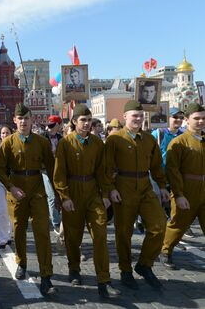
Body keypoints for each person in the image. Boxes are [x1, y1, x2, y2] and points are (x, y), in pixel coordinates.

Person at [53, 104, 120, 298]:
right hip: (73, 193)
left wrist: (106, 194)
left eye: (89, 120)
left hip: (92, 193)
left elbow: (103, 170)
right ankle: (74, 268)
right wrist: (64, 197)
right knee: (73, 237)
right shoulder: (66, 143)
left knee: (100, 235)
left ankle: (104, 281)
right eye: (83, 120)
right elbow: (59, 174)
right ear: (74, 122)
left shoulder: (98, 143)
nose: (87, 124)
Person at [105, 100, 169, 290]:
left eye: (141, 116)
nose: (138, 119)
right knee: (124, 232)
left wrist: (163, 186)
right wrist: (110, 189)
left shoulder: (149, 139)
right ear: (125, 117)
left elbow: (157, 165)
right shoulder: (115, 139)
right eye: (135, 115)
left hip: (145, 185)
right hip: (123, 186)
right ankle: (125, 270)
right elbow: (106, 167)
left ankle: (144, 264)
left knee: (159, 225)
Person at [0, 103, 56, 296]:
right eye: (20, 119)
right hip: (17, 190)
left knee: (42, 232)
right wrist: (11, 187)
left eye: (26, 118)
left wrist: (60, 195)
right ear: (15, 120)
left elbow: (52, 168)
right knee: (19, 229)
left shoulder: (42, 142)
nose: (23, 122)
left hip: (37, 189)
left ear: (32, 120)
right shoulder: (8, 143)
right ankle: (21, 262)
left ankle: (46, 275)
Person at [160, 103, 205, 269]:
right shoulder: (179, 142)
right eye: (196, 118)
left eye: (203, 118)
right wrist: (178, 194)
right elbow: (172, 170)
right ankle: (165, 251)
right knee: (178, 224)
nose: (201, 122)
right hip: (186, 190)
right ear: (187, 120)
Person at [41, 115, 63, 233]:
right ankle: (56, 223)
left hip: (59, 170)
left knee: (60, 194)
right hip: (45, 170)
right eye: (49, 125)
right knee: (51, 196)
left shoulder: (61, 137)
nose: (49, 128)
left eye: (52, 125)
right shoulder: (42, 137)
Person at [0, 125, 13, 249]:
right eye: (2, 133)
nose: (4, 135)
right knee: (1, 210)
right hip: (0, 181)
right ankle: (2, 238)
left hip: (13, 182)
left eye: (7, 133)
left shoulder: (15, 147)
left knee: (12, 211)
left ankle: (9, 234)